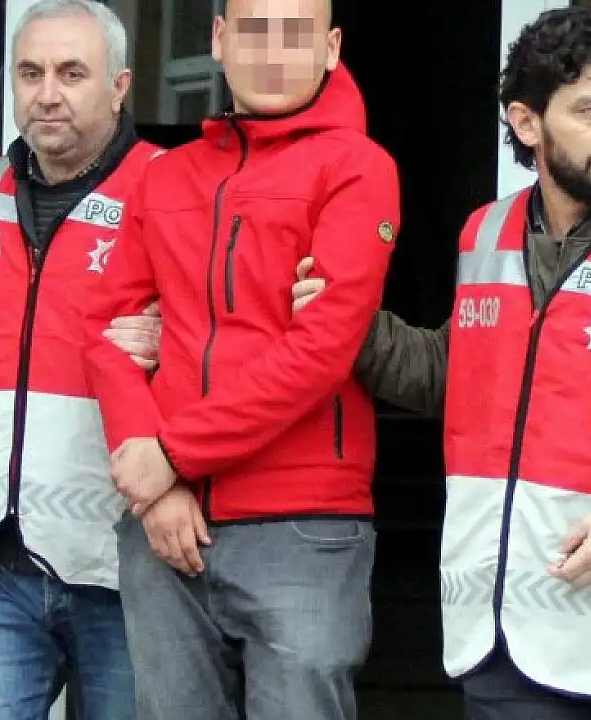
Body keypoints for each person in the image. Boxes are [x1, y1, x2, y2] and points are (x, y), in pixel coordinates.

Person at [110, 7, 591, 720]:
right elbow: (456, 376)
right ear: (526, 123)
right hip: (512, 634)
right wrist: (351, 326)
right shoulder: (488, 234)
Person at [78, 1, 400, 718]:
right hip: (167, 526)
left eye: (296, 35)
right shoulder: (165, 177)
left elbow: (321, 350)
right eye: (254, 31)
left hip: (303, 522)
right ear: (220, 40)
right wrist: (156, 487)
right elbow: (105, 334)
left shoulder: (358, 168)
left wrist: (172, 455)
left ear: (331, 48)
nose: (273, 53)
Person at [0, 1, 161, 717]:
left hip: (123, 558)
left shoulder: (168, 187)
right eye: (30, 73)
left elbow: (217, 344)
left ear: (118, 87)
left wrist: (170, 339)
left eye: (71, 73)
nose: (47, 93)